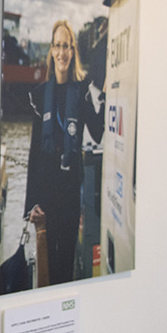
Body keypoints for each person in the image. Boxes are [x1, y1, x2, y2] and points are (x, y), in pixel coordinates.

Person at [23, 20, 104, 286]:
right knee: (47, 268)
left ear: (73, 52)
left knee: (65, 268)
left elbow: (98, 131)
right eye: (57, 46)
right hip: (46, 196)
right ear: (52, 51)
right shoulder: (40, 94)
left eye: (67, 46)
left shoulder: (81, 92)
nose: (62, 52)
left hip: (70, 195)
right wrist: (30, 205)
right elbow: (33, 154)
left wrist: (99, 94)